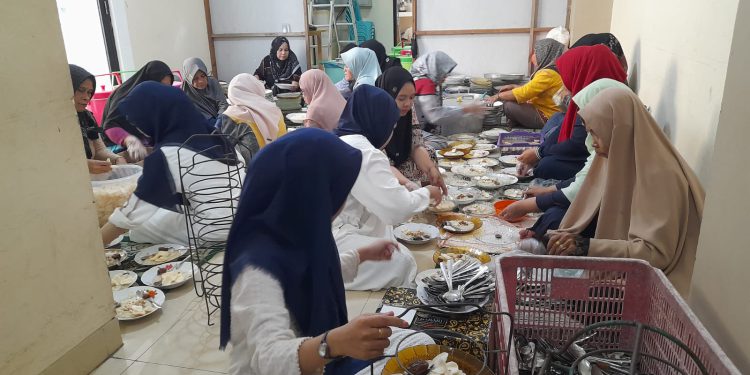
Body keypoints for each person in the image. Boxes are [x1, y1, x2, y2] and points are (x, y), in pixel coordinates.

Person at [220, 128, 433, 375]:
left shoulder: (297, 228)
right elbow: (268, 360)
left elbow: (312, 274)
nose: (342, 199)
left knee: (420, 345)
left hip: (325, 355)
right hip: (305, 363)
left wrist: (361, 255)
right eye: (340, 188)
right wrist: (334, 343)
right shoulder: (255, 267)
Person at [546, 88, 704, 296]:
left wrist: (586, 246)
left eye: (596, 133)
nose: (593, 142)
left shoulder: (660, 176)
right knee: (551, 226)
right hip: (632, 262)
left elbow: (655, 255)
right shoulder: (622, 155)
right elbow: (587, 205)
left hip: (661, 281)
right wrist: (560, 237)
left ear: (618, 129)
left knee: (576, 295)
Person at [100, 82, 243, 246]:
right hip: (242, 221)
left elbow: (131, 215)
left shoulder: (168, 154)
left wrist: (92, 245)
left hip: (211, 232)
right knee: (162, 211)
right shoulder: (214, 135)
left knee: (141, 227)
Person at [334, 85, 443, 290]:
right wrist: (426, 192)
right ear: (378, 121)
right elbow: (396, 209)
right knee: (401, 262)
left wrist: (410, 189)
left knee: (388, 239)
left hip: (332, 230)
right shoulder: (364, 152)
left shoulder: (344, 139)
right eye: (391, 126)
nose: (392, 132)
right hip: (334, 238)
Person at [501, 79, 631, 240]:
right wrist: (549, 191)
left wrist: (531, 205)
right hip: (603, 211)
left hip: (618, 230)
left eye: (593, 131)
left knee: (558, 219)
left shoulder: (654, 170)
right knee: (555, 216)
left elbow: (586, 190)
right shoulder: (612, 140)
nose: (589, 140)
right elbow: (587, 178)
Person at [514, 44, 627, 180]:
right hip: (588, 157)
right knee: (557, 122)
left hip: (601, 166)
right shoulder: (597, 87)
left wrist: (539, 154)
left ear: (582, 70)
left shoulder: (599, 97)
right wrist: (539, 151)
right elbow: (570, 127)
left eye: (568, 74)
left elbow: (578, 142)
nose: (565, 83)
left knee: (547, 166)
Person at [376, 66, 446, 193]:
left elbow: (416, 144)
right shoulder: (377, 114)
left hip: (399, 156)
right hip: (379, 166)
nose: (408, 104)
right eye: (401, 98)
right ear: (388, 96)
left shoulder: (408, 109)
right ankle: (420, 197)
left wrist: (431, 169)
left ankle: (431, 201)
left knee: (429, 152)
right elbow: (381, 163)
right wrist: (410, 185)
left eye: (412, 97)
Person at [101, 60, 174, 162]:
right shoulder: (127, 97)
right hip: (117, 147)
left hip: (143, 145)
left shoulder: (156, 99)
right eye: (159, 86)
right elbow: (109, 126)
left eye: (167, 88)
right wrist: (130, 140)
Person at [485, 39, 566, 129]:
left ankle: (519, 124)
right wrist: (514, 87)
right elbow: (533, 89)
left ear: (545, 53)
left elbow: (524, 93)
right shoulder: (553, 70)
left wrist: (497, 96)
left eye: (536, 52)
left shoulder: (547, 73)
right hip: (550, 112)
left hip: (548, 116)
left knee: (509, 105)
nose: (533, 56)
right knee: (510, 98)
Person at [216, 74, 287, 164]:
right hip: (282, 167)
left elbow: (219, 148)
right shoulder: (275, 110)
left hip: (255, 173)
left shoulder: (233, 116)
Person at [411, 51, 486, 136]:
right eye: (443, 72)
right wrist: (466, 109)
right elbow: (435, 116)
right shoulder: (425, 83)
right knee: (440, 143)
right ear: (435, 68)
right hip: (413, 131)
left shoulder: (418, 79)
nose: (445, 77)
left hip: (418, 127)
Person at [68, 64, 126, 173]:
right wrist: (83, 165)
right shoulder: (58, 122)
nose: (86, 97)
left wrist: (117, 159)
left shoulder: (87, 117)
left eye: (89, 92)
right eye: (81, 90)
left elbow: (99, 150)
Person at [181, 57, 228, 121]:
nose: (201, 81)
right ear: (188, 79)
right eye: (195, 78)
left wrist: (220, 120)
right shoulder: (184, 91)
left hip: (220, 119)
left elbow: (223, 104)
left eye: (203, 76)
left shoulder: (213, 82)